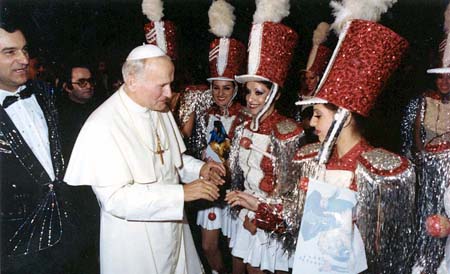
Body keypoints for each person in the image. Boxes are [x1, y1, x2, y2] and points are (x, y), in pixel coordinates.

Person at [227, 19, 415, 274]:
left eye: (318, 115)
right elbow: (295, 220)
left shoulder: (381, 171)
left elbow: (385, 250)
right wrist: (256, 206)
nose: (311, 122)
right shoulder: (310, 158)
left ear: (344, 118)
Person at [64, 44, 226, 274]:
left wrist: (201, 170)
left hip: (174, 230)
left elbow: (172, 161)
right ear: (132, 81)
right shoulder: (102, 125)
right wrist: (181, 193)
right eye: (161, 85)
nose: (169, 94)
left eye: (170, 84)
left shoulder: (159, 107)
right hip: (134, 242)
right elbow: (115, 199)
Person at [226, 1, 303, 273]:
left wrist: (259, 217)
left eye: (259, 92)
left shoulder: (288, 132)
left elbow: (289, 193)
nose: (250, 99)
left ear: (275, 94)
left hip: (271, 220)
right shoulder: (244, 123)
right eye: (248, 92)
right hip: (248, 211)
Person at [0, 20, 80, 274]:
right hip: (15, 246)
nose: (24, 59)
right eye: (10, 52)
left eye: (24, 50)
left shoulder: (47, 93)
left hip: (71, 231)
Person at [189, 2, 248, 273]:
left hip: (236, 189)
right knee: (209, 246)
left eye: (226, 88)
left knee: (237, 249)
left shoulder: (245, 117)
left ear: (235, 89)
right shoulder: (204, 113)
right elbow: (199, 146)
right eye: (216, 88)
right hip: (211, 185)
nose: (221, 94)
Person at [402, 5, 450, 272]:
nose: (444, 82)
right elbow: (409, 141)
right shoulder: (419, 103)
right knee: (428, 223)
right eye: (439, 77)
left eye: (448, 77)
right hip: (428, 175)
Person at [57, 63, 100, 273]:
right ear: (67, 87)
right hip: (76, 189)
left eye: (90, 80)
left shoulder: (101, 108)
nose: (88, 86)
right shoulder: (58, 115)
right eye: (81, 82)